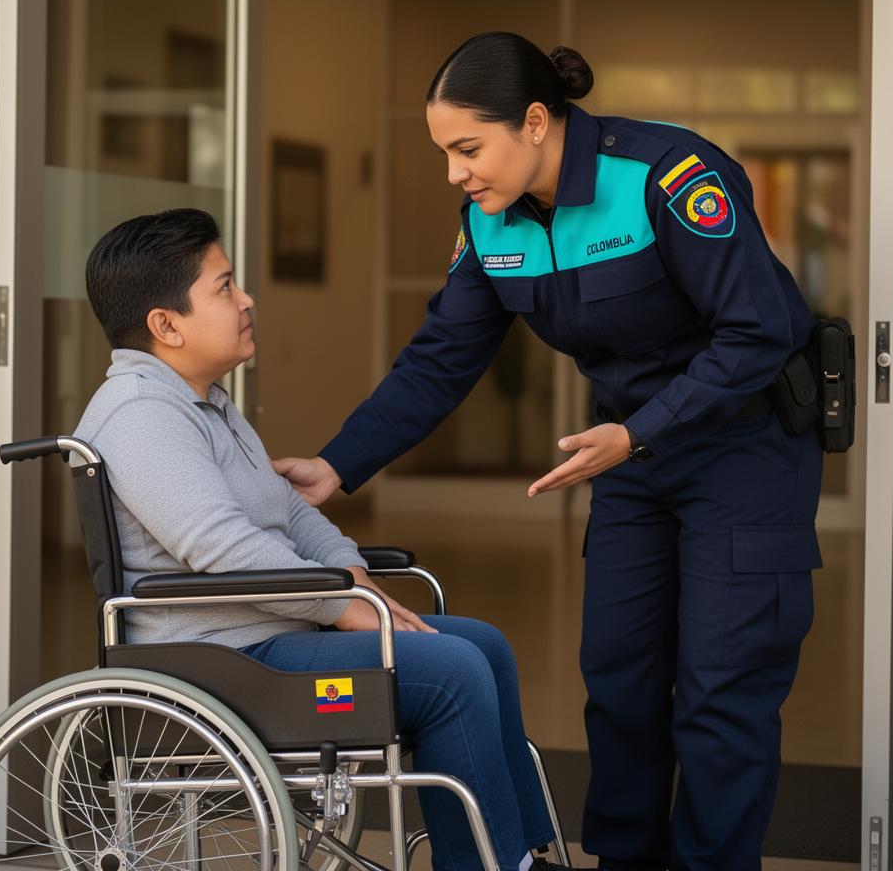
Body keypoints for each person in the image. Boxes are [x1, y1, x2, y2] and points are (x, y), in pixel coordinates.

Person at [273, 32, 824, 871]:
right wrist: (338, 465)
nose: (456, 173)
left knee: (720, 697)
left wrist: (640, 429)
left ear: (535, 122)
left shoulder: (666, 177)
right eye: (446, 153)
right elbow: (438, 361)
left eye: (468, 148)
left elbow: (762, 330)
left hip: (740, 456)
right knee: (621, 688)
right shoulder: (489, 224)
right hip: (631, 462)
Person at [75, 208, 568, 871]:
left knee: (484, 645)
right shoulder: (141, 416)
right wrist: (345, 606)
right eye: (224, 288)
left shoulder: (207, 401)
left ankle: (520, 852)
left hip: (269, 636)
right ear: (166, 325)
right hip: (225, 664)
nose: (246, 299)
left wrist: (352, 576)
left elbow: (293, 514)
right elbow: (223, 548)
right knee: (452, 672)